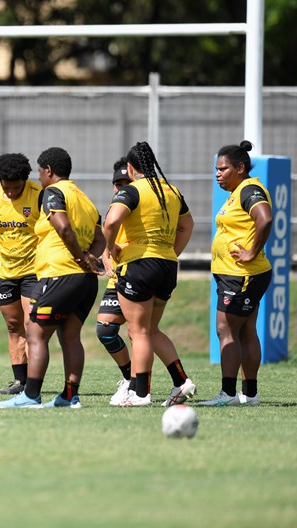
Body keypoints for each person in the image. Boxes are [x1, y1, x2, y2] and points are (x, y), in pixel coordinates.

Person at [0, 147, 104, 409]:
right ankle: (69, 396)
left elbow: (63, 227)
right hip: (84, 280)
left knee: (35, 333)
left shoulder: (52, 193)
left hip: (59, 273)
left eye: (40, 172)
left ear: (49, 171)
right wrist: (90, 258)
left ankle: (30, 395)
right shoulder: (84, 198)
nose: (39, 177)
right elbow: (101, 238)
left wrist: (79, 257)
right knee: (70, 336)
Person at [102, 141, 196, 407]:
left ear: (130, 168)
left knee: (139, 332)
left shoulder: (133, 190)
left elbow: (111, 221)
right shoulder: (171, 190)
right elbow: (187, 225)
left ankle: (140, 394)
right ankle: (181, 381)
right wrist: (171, 251)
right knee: (151, 330)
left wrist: (110, 248)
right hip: (167, 265)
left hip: (139, 265)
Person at [198, 140, 272, 407]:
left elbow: (265, 218)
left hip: (241, 274)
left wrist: (251, 251)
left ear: (240, 168)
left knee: (225, 328)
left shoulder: (249, 189)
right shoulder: (238, 190)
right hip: (238, 273)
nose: (217, 174)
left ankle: (228, 394)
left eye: (222, 169)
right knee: (245, 330)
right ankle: (249, 394)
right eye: (216, 169)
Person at [0, 153, 42, 395]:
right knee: (13, 326)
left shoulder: (40, 196)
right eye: (6, 187)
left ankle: (34, 383)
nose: (11, 192)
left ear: (25, 180)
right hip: (5, 272)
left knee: (31, 324)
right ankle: (19, 382)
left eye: (16, 188)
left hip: (35, 271)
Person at [97, 158, 135, 405]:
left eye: (125, 182)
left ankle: (178, 380)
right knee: (106, 330)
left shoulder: (140, 200)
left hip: (137, 271)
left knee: (139, 332)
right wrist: (106, 257)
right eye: (117, 183)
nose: (120, 187)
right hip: (117, 275)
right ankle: (131, 379)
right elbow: (107, 239)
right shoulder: (114, 205)